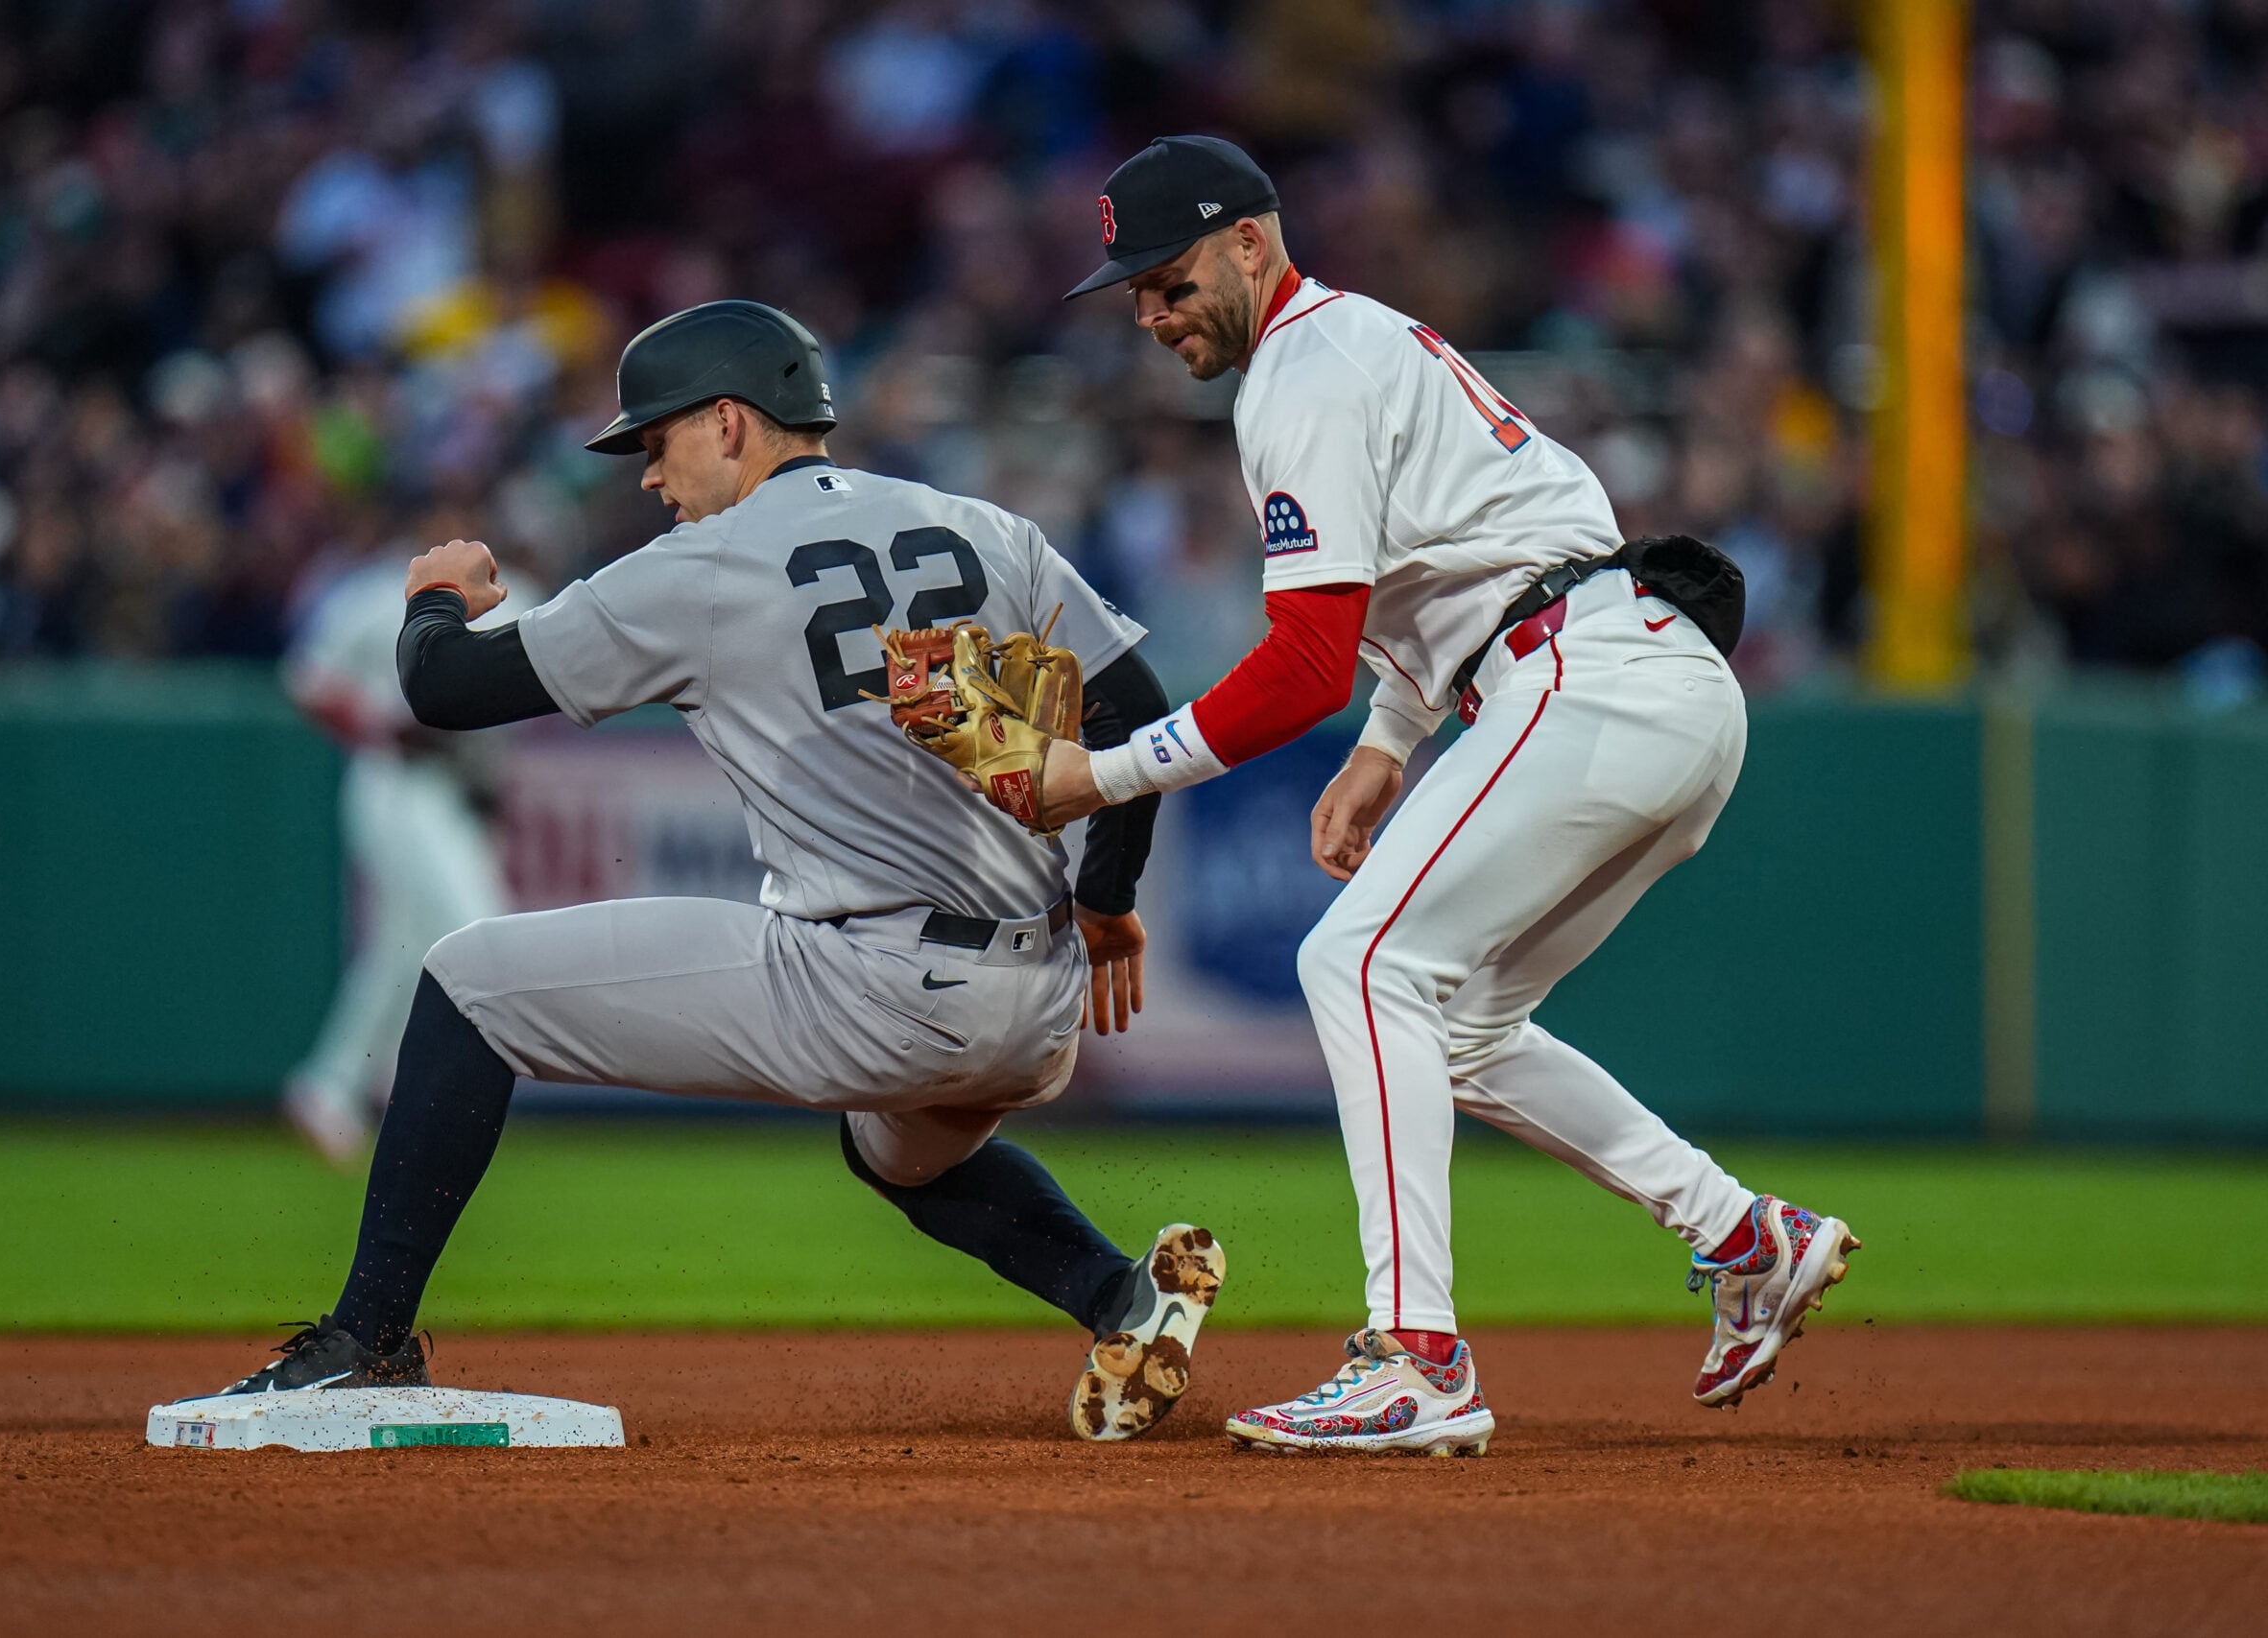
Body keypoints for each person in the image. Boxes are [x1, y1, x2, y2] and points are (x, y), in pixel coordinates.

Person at [191, 301, 1222, 1442]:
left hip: (873, 988)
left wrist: (433, 597)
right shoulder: (979, 525)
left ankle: (364, 1343)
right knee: (896, 1152)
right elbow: (1136, 713)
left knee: (468, 985)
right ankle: (1121, 1297)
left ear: (729, 422)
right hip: (1036, 1005)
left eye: (655, 440)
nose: (645, 474)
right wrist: (1106, 899)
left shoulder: (704, 565)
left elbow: (445, 690)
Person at [1038, 136, 1856, 1454]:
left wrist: (1108, 772)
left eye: (1168, 274)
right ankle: (1744, 1234)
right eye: (1133, 288)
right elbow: (1496, 546)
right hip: (1638, 680)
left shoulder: (1302, 371)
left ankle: (1415, 1355)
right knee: (1459, 1023)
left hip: (1583, 683)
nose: (1149, 309)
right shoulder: (1359, 345)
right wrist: (1391, 738)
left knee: (1357, 963)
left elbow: (1302, 661)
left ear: (1251, 240)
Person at [277, 531, 538, 1166]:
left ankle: (329, 1085)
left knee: (404, 948)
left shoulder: (524, 593)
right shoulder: (377, 594)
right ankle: (442, 1097)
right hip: (398, 779)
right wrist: (378, 726)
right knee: (475, 927)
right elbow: (307, 681)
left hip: (459, 789)